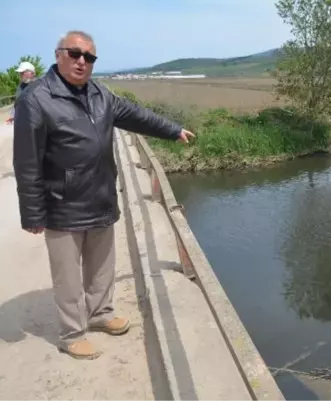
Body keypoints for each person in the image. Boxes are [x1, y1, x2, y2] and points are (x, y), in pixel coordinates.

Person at [12, 30, 195, 360]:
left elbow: (136, 115)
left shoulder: (101, 94)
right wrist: (32, 213)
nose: (82, 61)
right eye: (75, 53)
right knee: (67, 277)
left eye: (90, 57)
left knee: (101, 267)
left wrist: (172, 129)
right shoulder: (36, 98)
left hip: (100, 196)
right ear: (59, 55)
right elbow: (26, 162)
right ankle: (71, 333)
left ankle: (99, 314)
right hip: (61, 204)